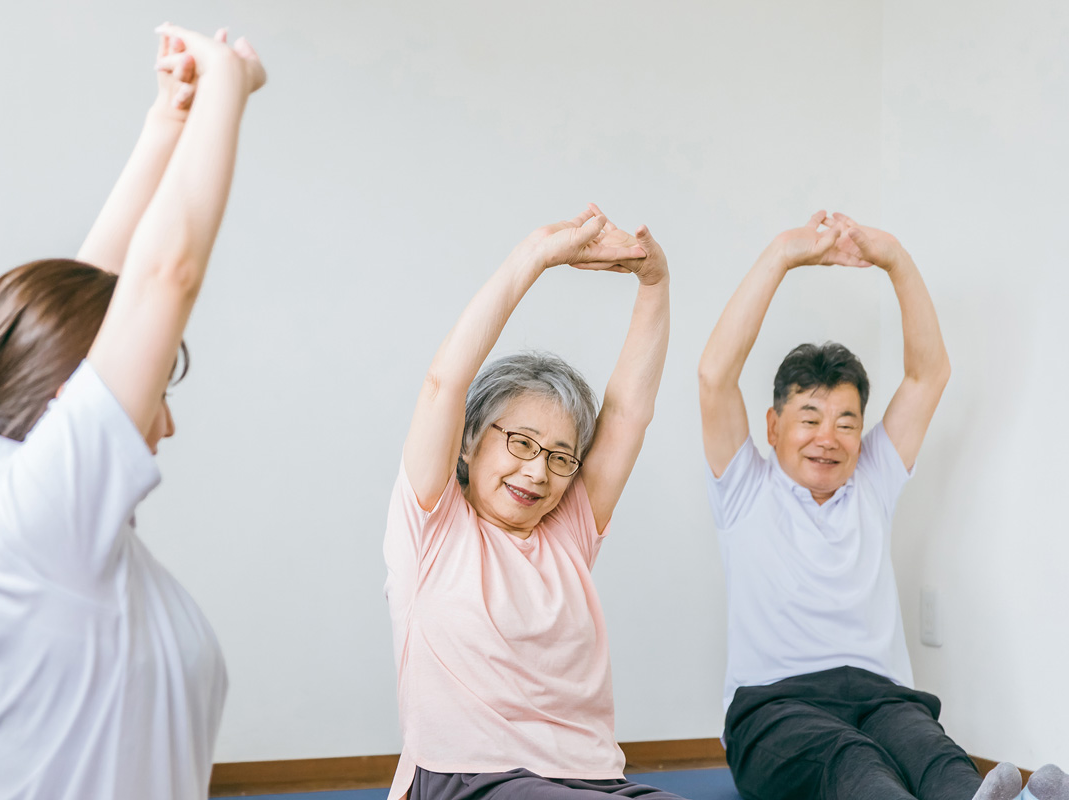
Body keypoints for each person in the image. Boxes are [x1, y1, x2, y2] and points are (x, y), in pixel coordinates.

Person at [0, 24, 264, 800]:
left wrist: (169, 120)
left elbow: (85, 302)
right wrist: (226, 87)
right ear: (69, 402)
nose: (167, 424)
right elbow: (165, 274)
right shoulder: (36, 523)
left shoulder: (4, 479)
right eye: (160, 391)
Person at [697, 211, 1065, 800]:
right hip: (775, 709)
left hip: (883, 697)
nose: (829, 437)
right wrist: (783, 254)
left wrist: (894, 257)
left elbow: (928, 375)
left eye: (847, 422)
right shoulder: (745, 488)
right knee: (855, 761)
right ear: (772, 426)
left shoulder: (870, 479)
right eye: (810, 419)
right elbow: (715, 376)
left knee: (932, 753)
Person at [384, 205, 679, 800]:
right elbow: (445, 382)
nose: (537, 470)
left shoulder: (567, 531)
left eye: (560, 457)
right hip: (470, 780)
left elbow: (627, 412)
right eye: (520, 442)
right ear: (469, 441)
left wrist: (655, 283)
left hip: (591, 780)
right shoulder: (434, 525)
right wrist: (536, 257)